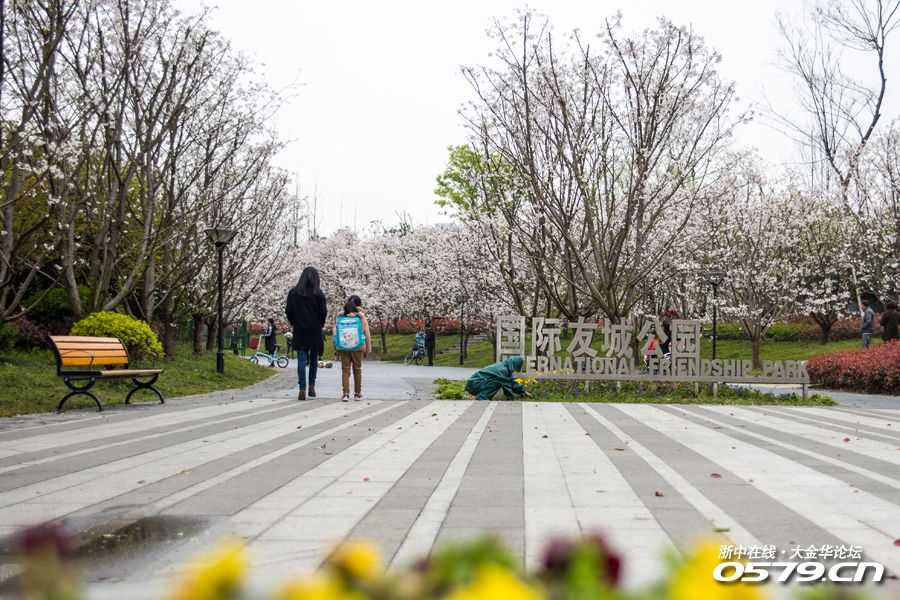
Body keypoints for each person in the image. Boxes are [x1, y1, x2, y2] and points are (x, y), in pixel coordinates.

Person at [285, 266, 327, 400]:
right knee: (314, 358)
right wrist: (320, 324)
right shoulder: (318, 293)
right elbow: (323, 312)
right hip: (314, 329)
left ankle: (302, 388)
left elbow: (289, 311)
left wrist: (294, 322)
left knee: (302, 359)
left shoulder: (293, 293)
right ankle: (312, 386)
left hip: (300, 329)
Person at [337, 295, 372, 401]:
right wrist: (367, 350)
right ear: (359, 304)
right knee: (357, 369)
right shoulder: (361, 317)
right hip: (357, 347)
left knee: (345, 370)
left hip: (344, 347)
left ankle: (345, 394)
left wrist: (337, 349)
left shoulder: (341, 316)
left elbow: (337, 334)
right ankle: (357, 394)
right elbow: (366, 333)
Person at [464, 356, 533, 401]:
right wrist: (512, 399)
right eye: (516, 368)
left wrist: (523, 391)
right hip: (475, 383)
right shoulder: (503, 370)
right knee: (497, 382)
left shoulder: (505, 368)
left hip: (477, 383)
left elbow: (512, 382)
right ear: (514, 365)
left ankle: (480, 397)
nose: (515, 370)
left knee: (499, 380)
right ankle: (481, 397)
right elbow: (507, 386)